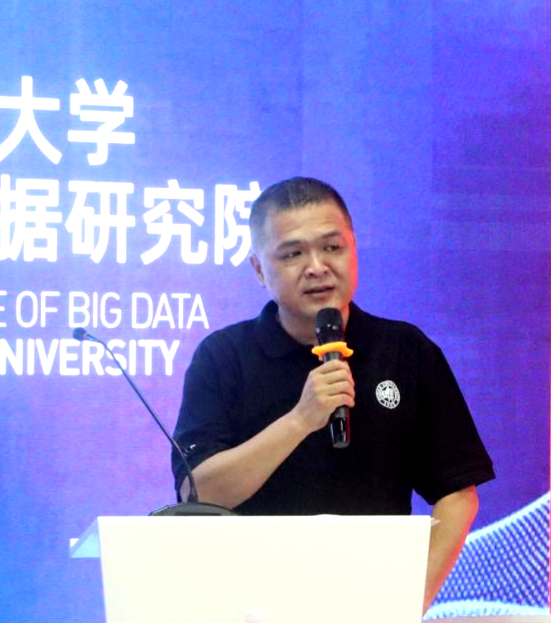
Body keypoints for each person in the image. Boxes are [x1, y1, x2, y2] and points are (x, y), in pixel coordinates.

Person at [171, 176, 495, 612]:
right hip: (249, 607)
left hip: (373, 605)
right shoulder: (224, 357)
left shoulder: (406, 351)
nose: (317, 267)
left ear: (354, 249)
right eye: (292, 253)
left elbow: (457, 493)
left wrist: (403, 604)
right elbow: (198, 493)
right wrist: (300, 420)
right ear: (258, 269)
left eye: (331, 247)